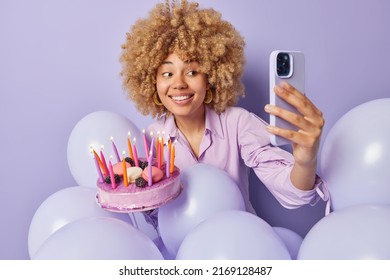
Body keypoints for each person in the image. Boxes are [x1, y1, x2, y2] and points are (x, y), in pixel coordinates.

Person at [119, 0, 329, 226]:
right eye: (167, 73)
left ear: (210, 77)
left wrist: (306, 162)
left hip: (239, 245)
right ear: (152, 82)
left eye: (192, 71)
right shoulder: (151, 141)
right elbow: (156, 219)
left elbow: (292, 192)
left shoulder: (237, 123)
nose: (179, 84)